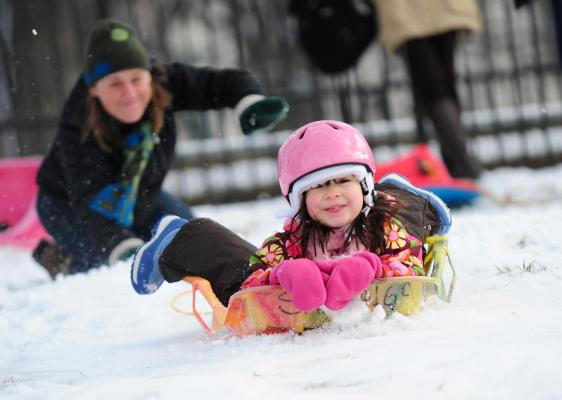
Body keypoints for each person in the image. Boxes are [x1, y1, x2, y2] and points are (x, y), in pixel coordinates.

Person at [33, 19, 289, 278]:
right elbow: (89, 203)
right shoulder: (77, 126)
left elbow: (222, 82)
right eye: (115, 84)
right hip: (67, 205)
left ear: (150, 75)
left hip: (141, 196)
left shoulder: (166, 81)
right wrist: (124, 249)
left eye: (136, 79)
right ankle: (62, 260)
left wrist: (248, 101)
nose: (130, 92)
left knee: (193, 237)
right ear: (94, 89)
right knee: (110, 268)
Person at [130, 120, 452, 312]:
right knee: (237, 278)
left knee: (404, 218)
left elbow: (409, 266)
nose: (333, 194)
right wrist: (282, 275)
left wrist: (370, 267)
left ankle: (412, 199)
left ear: (364, 185)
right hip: (296, 280)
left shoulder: (384, 227)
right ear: (298, 200)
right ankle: (183, 239)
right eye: (318, 188)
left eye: (343, 180)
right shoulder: (294, 239)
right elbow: (253, 278)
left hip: (389, 211)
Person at [373, 0, 483, 179]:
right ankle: (458, 160)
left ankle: (457, 161)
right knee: (436, 87)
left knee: (441, 86)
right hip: (408, 13)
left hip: (437, 10)